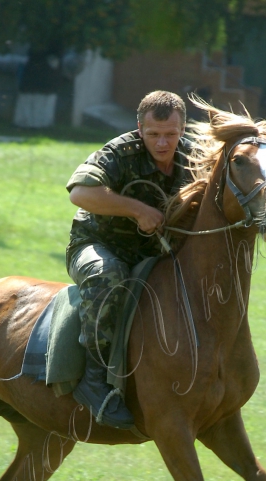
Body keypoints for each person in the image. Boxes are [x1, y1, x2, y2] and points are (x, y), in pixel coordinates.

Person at [65, 90, 194, 429]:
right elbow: (80, 192)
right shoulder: (119, 153)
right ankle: (94, 381)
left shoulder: (195, 156)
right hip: (96, 244)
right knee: (111, 276)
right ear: (140, 129)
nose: (163, 143)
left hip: (156, 252)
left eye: (171, 134)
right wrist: (137, 210)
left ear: (183, 128)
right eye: (154, 134)